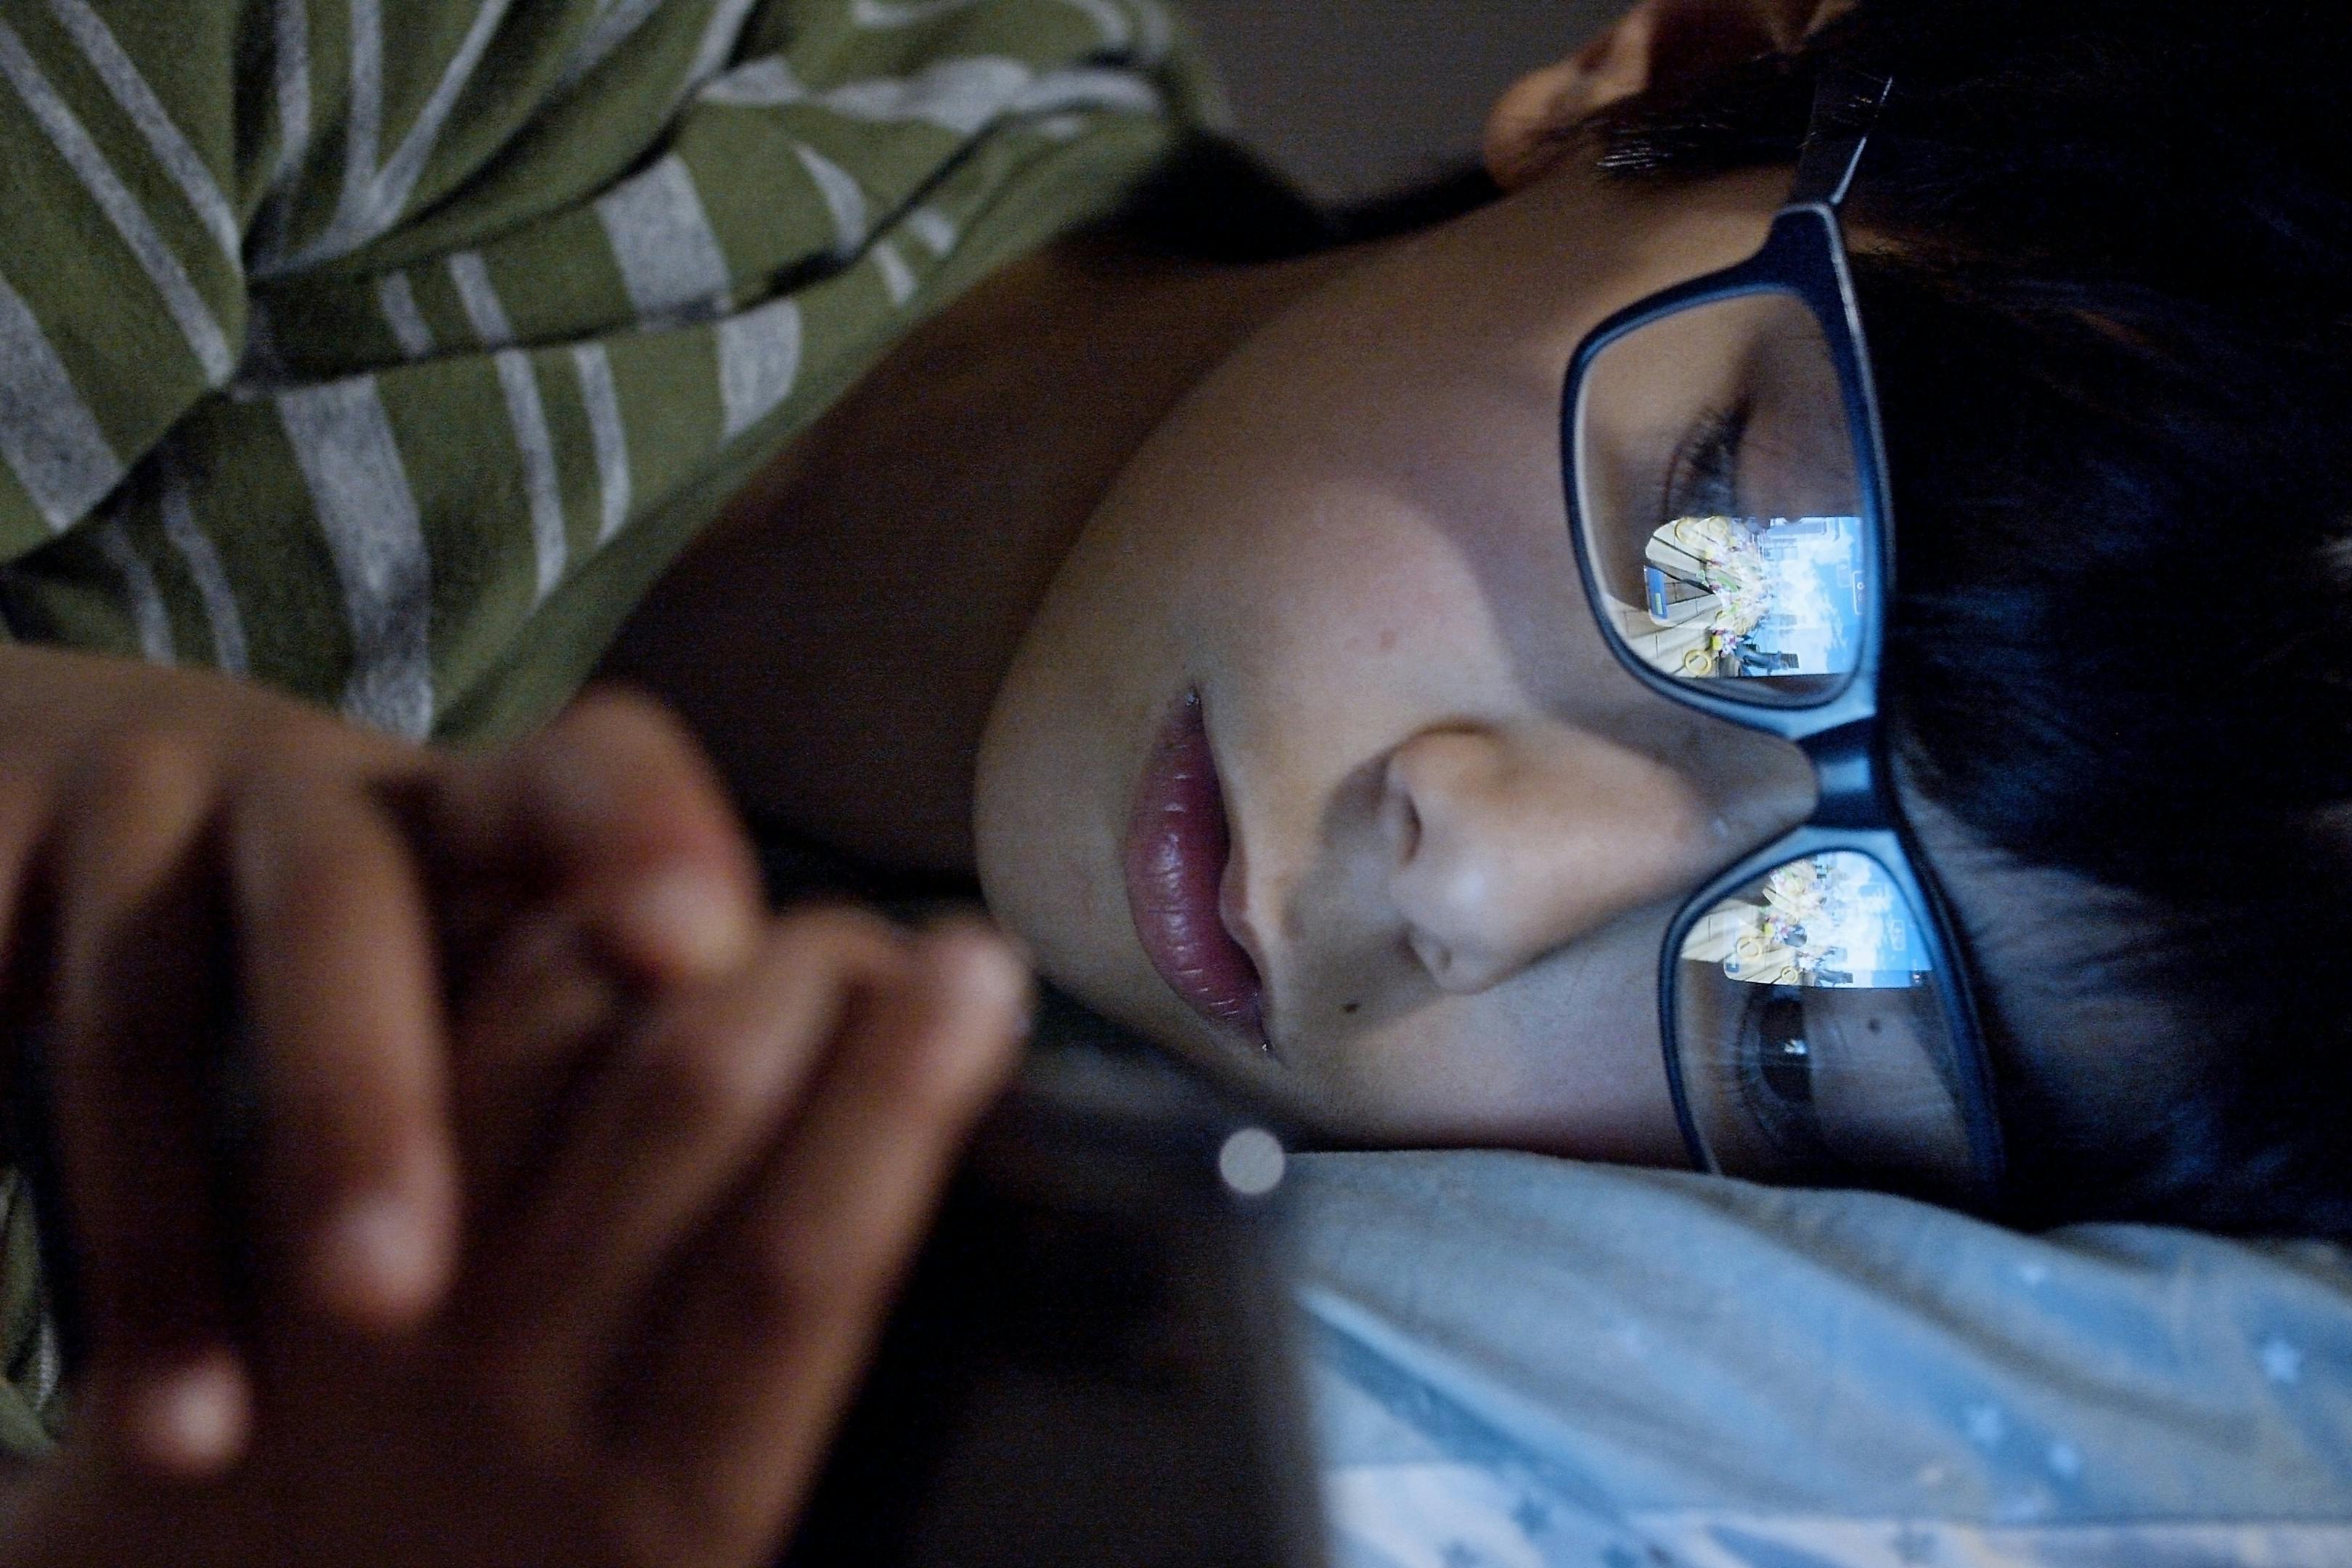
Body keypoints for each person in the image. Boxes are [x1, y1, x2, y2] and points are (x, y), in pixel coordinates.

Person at [2, 0, 2347, 1559]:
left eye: (1806, 1020)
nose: (1477, 876)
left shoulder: (910, 1308)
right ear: (1668, 75)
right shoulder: (613, 56)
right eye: (1722, 538)